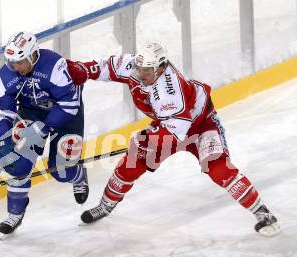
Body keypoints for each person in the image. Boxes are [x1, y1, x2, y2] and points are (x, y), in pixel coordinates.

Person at [66, 42, 281, 236]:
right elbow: (105, 67)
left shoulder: (169, 90)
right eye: (139, 67)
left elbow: (174, 133)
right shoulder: (135, 66)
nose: (141, 73)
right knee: (132, 163)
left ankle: (263, 213)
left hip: (199, 125)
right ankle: (105, 205)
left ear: (160, 67)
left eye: (147, 70)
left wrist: (145, 139)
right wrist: (83, 69)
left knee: (218, 168)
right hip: (168, 125)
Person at [0, 31, 88, 236]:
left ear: (33, 56)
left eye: (20, 61)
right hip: (31, 112)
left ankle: (78, 175)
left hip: (64, 114)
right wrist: (2, 136)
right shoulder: (6, 74)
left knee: (61, 171)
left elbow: (70, 104)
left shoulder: (54, 66)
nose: (15, 67)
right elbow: (2, 108)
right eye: (12, 62)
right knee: (18, 164)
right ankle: (15, 213)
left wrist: (45, 128)